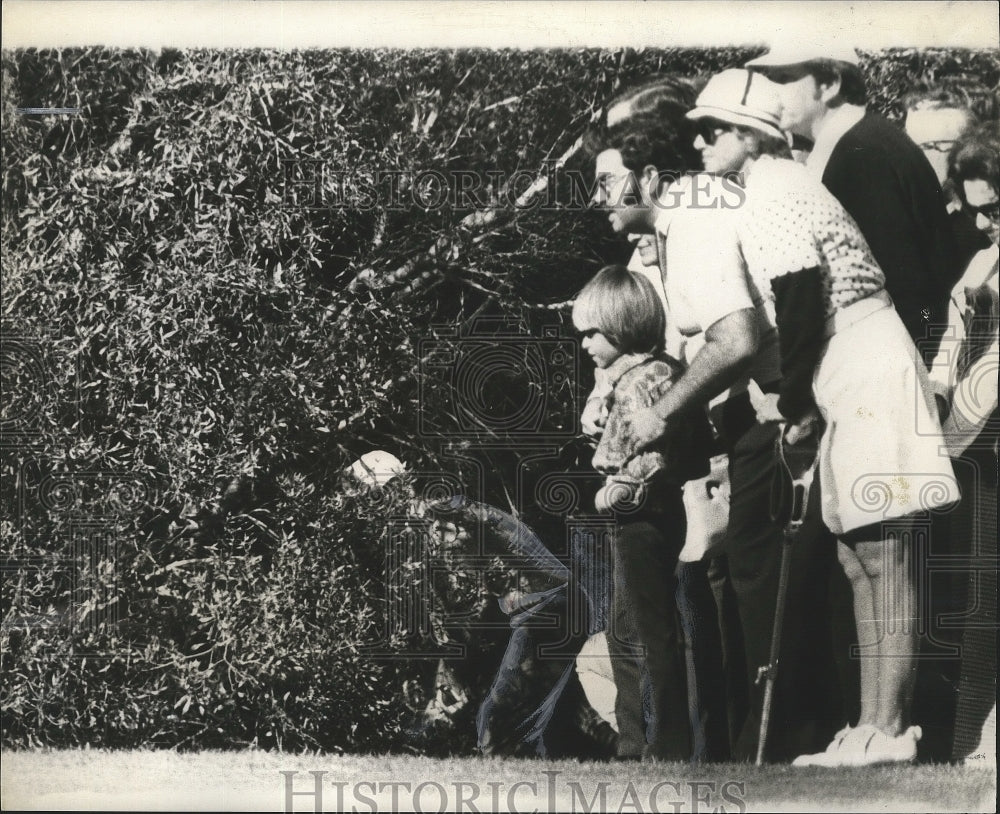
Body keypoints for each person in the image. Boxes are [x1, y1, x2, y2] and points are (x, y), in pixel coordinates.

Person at [683, 68, 960, 766]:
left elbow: (802, 297)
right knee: (853, 552)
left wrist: (795, 400)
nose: (701, 141)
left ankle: (891, 731)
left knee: (884, 553)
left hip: (865, 357)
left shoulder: (774, 188)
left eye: (713, 129)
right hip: (848, 365)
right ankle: (869, 726)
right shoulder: (767, 188)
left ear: (750, 136)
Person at [588, 75, 841, 763]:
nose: (598, 198)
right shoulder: (691, 218)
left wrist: (660, 415)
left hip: (780, 414)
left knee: (757, 595)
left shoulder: (695, 218)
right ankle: (735, 750)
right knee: (731, 598)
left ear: (646, 175)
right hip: (759, 415)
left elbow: (736, 336)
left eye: (608, 180)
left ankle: (771, 752)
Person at [344, 450, 617, 759]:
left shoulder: (439, 529)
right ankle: (632, 762)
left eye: (368, 499)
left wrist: (453, 674)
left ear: (393, 491)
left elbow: (474, 605)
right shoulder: (425, 526)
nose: (362, 511)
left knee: (497, 730)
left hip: (547, 609)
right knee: (570, 725)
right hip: (542, 609)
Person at [573, 264, 714, 761]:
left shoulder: (634, 383)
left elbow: (643, 464)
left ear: (620, 326)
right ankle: (642, 738)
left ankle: (658, 741)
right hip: (669, 514)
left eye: (592, 333)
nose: (586, 343)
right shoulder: (666, 372)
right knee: (640, 626)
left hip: (639, 522)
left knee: (645, 630)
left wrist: (608, 494)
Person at [746, 43, 961, 367]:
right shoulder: (863, 140)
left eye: (784, 78)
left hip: (890, 364)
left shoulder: (860, 155)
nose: (771, 93)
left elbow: (904, 284)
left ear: (830, 84)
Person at [931, 122, 999, 763]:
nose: (983, 225)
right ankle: (976, 742)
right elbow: (952, 356)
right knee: (985, 592)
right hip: (985, 450)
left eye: (995, 209)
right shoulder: (979, 264)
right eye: (976, 210)